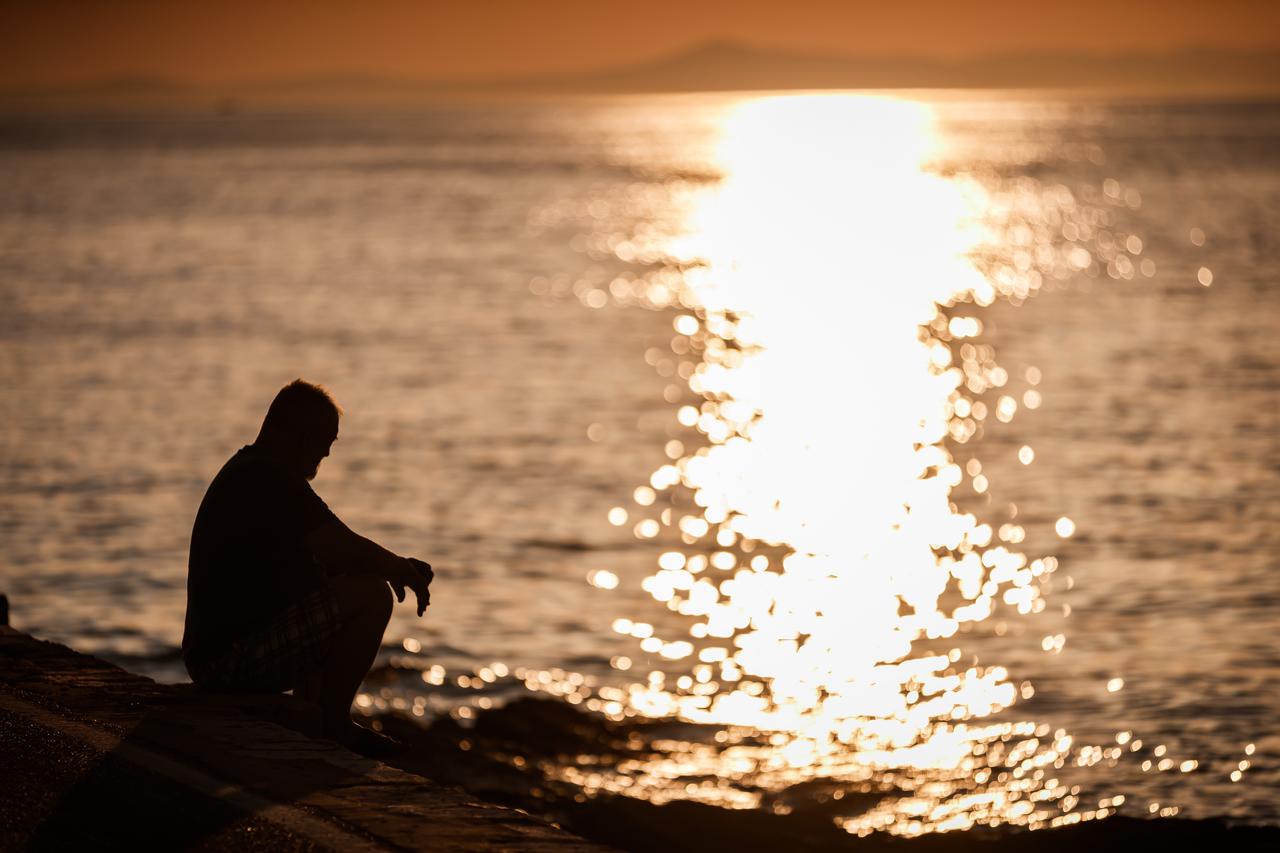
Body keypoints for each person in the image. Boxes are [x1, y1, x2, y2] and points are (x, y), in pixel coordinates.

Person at [182, 379, 432, 756]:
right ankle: (332, 725)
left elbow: (334, 559)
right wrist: (397, 570)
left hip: (216, 657)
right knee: (371, 596)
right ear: (300, 435)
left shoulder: (252, 471)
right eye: (325, 442)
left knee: (343, 585)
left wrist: (391, 566)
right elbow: (343, 546)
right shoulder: (268, 478)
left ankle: (315, 718)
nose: (327, 455)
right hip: (227, 662)